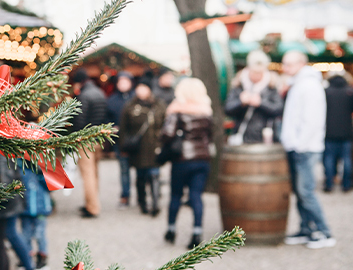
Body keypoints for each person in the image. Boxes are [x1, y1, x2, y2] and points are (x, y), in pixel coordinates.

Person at [281, 50, 336, 249]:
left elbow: (311, 120)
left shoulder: (309, 85)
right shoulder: (298, 84)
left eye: (288, 64)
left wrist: (299, 144)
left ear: (300, 63)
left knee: (306, 191)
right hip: (297, 146)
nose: (285, 68)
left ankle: (324, 231)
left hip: (305, 148)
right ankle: (306, 228)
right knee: (300, 190)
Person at [161, 78, 214, 249]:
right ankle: (197, 232)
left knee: (176, 195)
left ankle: (171, 230)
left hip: (181, 160)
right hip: (202, 160)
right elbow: (211, 135)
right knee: (196, 196)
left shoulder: (176, 110)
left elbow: (167, 135)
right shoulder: (206, 111)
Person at [118, 79, 166, 216]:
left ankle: (156, 204)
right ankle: (142, 202)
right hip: (138, 148)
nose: (141, 91)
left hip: (155, 146)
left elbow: (165, 123)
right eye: (139, 88)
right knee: (141, 177)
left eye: (144, 88)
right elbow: (124, 129)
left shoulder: (158, 105)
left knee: (155, 174)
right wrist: (124, 147)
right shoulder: (130, 106)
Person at [69, 68, 107, 218]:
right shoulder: (100, 93)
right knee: (95, 173)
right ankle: (92, 202)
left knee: (87, 175)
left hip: (85, 141)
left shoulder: (83, 96)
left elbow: (79, 121)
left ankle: (92, 207)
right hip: (98, 139)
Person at [224, 50, 283, 144]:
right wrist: (241, 102)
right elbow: (227, 109)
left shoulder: (271, 87)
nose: (257, 76)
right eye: (254, 72)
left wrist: (261, 103)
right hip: (241, 137)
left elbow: (278, 109)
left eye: (259, 72)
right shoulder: (239, 85)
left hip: (264, 138)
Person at [105, 71, 135, 208]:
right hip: (120, 141)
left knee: (141, 169)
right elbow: (106, 119)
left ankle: (143, 196)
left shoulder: (136, 97)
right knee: (124, 170)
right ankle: (125, 195)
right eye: (120, 81)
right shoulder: (111, 100)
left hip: (137, 139)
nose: (123, 84)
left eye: (126, 81)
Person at [323, 71, 353, 193]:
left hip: (329, 130)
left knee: (329, 158)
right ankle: (346, 184)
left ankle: (329, 184)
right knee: (347, 159)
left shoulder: (326, 92)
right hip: (346, 131)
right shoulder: (349, 92)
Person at [20, 162, 52, 270]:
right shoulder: (19, 168)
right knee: (25, 235)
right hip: (25, 209)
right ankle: (25, 257)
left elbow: (51, 186)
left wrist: (41, 174)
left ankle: (42, 257)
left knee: (40, 235)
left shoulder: (43, 168)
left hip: (41, 209)